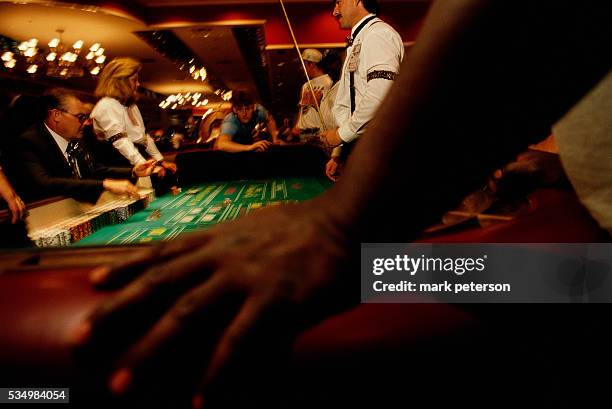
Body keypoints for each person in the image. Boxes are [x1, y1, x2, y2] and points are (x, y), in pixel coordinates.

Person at [71, 1, 611, 407]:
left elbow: (522, 20)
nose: (331, 6)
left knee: (419, 276)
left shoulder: (376, 35)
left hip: (589, 275)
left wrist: (341, 225)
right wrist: (568, 171)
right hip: (589, 262)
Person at [12, 88, 156, 203]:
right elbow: (45, 183)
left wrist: (133, 171)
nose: (85, 123)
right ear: (56, 115)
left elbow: (95, 170)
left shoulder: (76, 139)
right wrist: (104, 184)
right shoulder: (29, 142)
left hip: (78, 209)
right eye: (80, 117)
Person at [322, 0, 404, 180]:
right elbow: (351, 101)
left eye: (338, 3)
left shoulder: (377, 34)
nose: (334, 12)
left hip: (378, 150)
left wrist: (340, 135)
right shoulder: (363, 37)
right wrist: (340, 152)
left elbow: (380, 96)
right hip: (361, 148)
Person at [91, 57, 177, 176]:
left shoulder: (131, 106)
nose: (138, 84)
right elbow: (120, 141)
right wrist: (144, 165)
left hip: (132, 163)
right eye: (134, 80)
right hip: (117, 168)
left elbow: (143, 138)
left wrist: (160, 161)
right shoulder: (106, 105)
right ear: (120, 82)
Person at [215, 89, 280, 153]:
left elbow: (269, 120)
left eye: (247, 109)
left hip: (246, 142)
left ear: (254, 107)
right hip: (226, 149)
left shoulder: (259, 111)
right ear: (235, 109)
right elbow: (222, 145)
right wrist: (250, 147)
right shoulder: (230, 121)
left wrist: (275, 139)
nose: (244, 113)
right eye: (240, 109)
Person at [292, 48, 334, 139]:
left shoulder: (329, 83)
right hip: (303, 134)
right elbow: (302, 110)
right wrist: (297, 125)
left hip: (319, 134)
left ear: (312, 64)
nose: (301, 67)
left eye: (304, 64)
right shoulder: (305, 86)